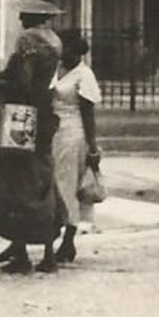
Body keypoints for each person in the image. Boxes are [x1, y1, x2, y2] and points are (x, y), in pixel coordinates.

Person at [0, 0, 68, 274]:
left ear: (35, 15)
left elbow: (23, 80)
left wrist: (1, 82)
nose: (20, 17)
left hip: (22, 114)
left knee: (15, 181)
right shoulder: (55, 41)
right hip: (45, 113)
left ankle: (20, 252)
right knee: (43, 178)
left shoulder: (28, 39)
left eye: (24, 13)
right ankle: (48, 252)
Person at [49, 30, 101, 263]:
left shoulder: (84, 74)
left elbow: (88, 114)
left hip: (73, 132)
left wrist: (92, 147)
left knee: (67, 184)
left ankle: (68, 239)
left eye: (68, 49)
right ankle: (50, 234)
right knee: (50, 183)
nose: (64, 53)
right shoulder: (55, 69)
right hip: (52, 131)